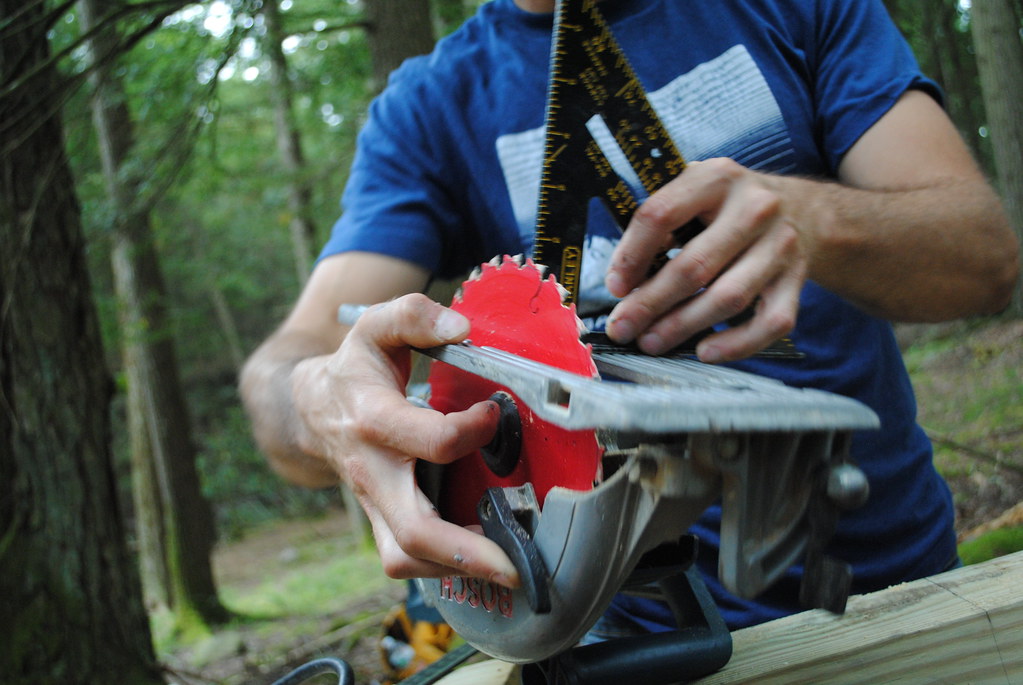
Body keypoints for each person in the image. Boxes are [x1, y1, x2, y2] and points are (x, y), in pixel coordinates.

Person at [240, 0, 1019, 636]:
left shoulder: (798, 5)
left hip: (895, 591)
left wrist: (809, 217)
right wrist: (318, 397)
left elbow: (983, 258)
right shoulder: (429, 107)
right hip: (623, 630)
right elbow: (290, 362)